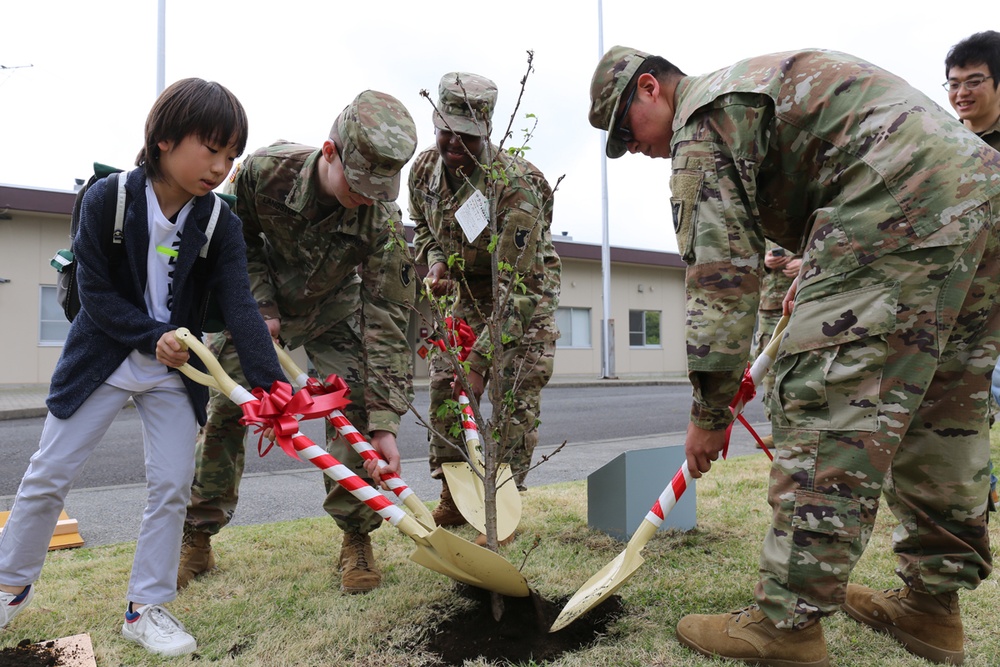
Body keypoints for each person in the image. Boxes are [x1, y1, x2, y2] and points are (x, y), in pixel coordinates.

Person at [589, 46, 999, 666]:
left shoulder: (701, 122)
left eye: (628, 131)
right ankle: (932, 608)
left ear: (650, 88)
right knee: (942, 410)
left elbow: (721, 280)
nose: (635, 149)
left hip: (901, 203)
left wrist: (710, 411)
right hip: (982, 194)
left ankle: (787, 622)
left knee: (827, 402)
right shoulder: (754, 91)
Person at [0, 78, 286, 656]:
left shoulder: (219, 223)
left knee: (171, 484)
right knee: (47, 474)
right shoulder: (108, 197)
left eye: (231, 155)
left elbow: (240, 308)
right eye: (211, 148)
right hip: (102, 356)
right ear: (165, 139)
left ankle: (145, 608)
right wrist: (152, 335)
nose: (221, 166)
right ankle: (9, 588)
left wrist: (274, 390)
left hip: (173, 372)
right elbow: (96, 293)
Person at [177, 90, 418, 594]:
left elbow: (387, 315)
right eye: (358, 184)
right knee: (228, 409)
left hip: (336, 309)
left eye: (380, 188)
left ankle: (356, 538)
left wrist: (386, 422)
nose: (367, 197)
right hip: (260, 310)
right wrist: (259, 308)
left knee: (351, 410)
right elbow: (235, 244)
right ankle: (196, 536)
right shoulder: (265, 172)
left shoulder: (381, 218)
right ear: (329, 152)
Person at [409, 72, 560, 542]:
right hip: (466, 294)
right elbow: (424, 229)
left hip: (522, 296)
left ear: (487, 131)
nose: (453, 142)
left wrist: (480, 362)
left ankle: (503, 507)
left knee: (513, 399)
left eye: (467, 134)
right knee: (446, 393)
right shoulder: (422, 171)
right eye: (445, 129)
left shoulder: (516, 186)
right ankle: (456, 497)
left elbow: (520, 286)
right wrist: (436, 264)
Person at [946, 30, 1000, 515]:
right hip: (966, 303)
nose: (961, 91)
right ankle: (979, 497)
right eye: (953, 82)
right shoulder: (944, 142)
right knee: (967, 411)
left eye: (974, 80)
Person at [753, 244, 800, 448]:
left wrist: (806, 264)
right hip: (769, 308)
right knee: (769, 369)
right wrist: (764, 262)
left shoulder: (811, 216)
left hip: (804, 302)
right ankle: (776, 428)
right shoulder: (762, 225)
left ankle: (800, 428)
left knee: (801, 365)